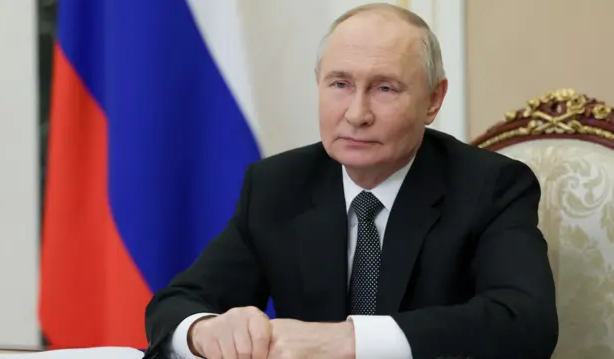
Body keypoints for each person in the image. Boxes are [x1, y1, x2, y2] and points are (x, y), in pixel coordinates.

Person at [143, 3, 558, 359]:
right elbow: (173, 304)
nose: (357, 114)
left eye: (385, 88)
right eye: (340, 84)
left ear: (433, 99)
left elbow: (524, 321)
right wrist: (204, 330)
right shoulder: (278, 185)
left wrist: (348, 339)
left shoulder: (491, 185)